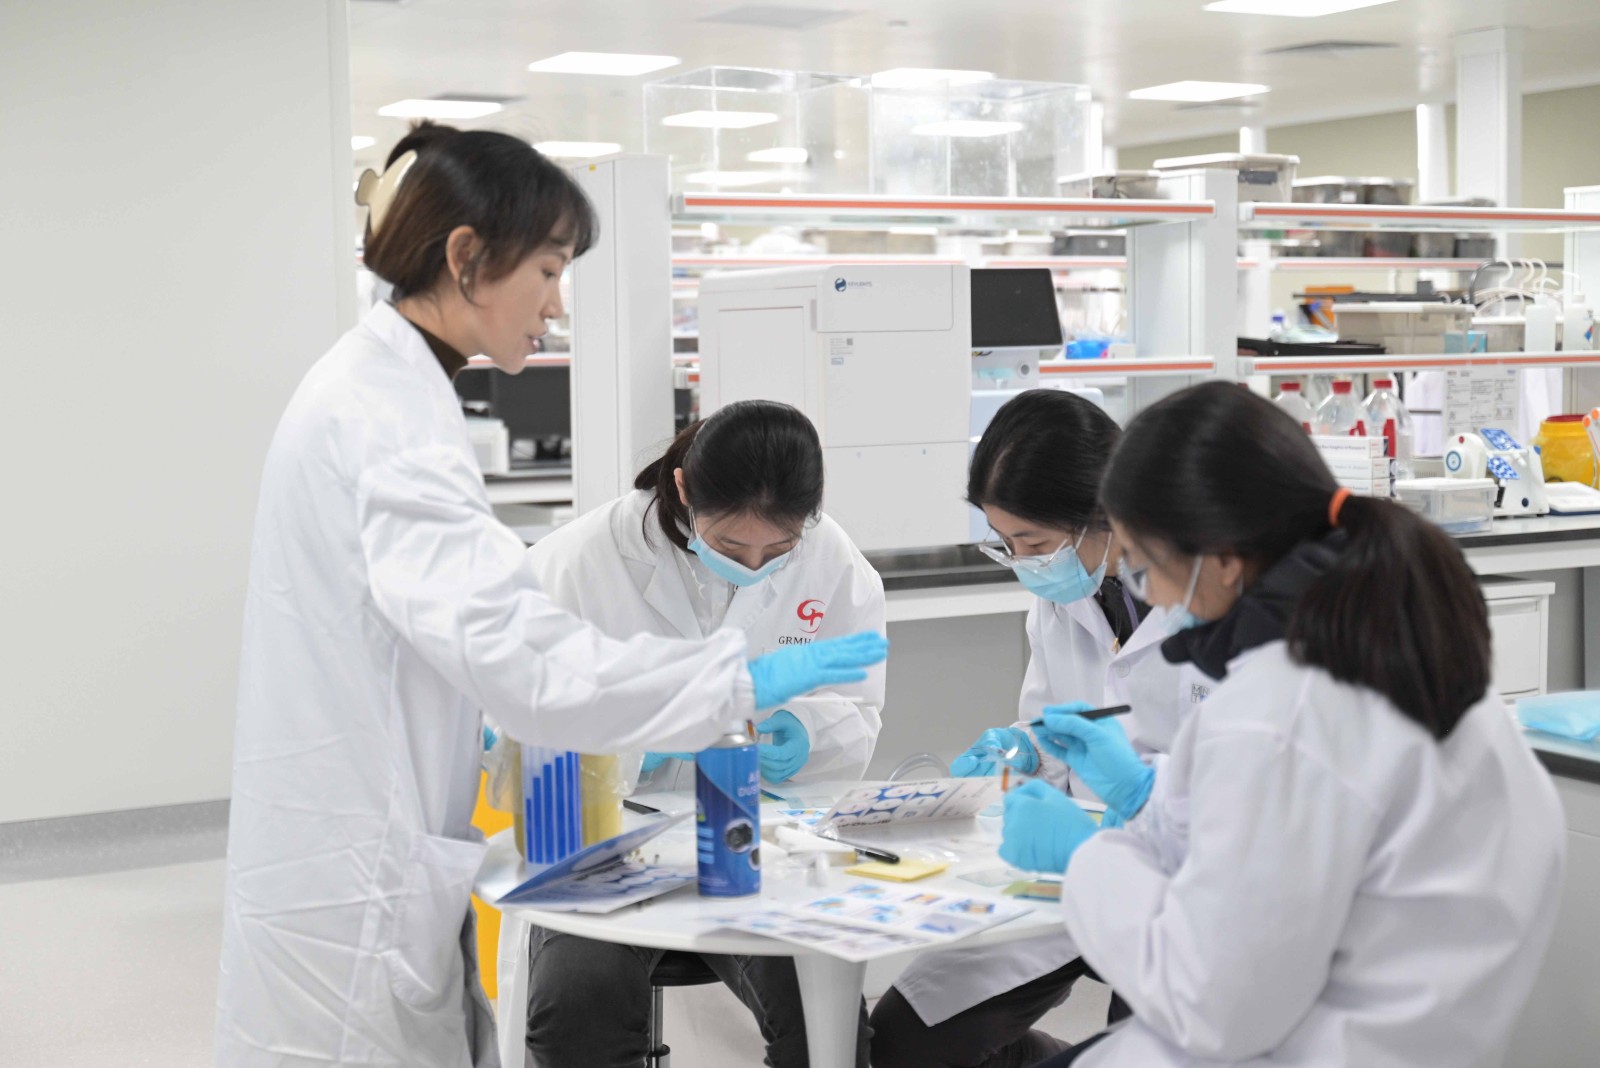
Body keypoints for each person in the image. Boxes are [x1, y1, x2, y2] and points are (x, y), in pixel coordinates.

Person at [214, 124, 887, 1068]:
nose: (557, 305)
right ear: (466, 258)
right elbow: (526, 661)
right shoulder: (389, 425)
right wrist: (732, 687)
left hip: (370, 841)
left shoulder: (384, 392)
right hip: (361, 868)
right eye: (548, 270)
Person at [1001, 381, 1565, 1067]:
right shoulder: (1393, 640)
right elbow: (1283, 840)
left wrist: (1087, 860)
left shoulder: (1281, 708)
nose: (1148, 594)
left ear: (1223, 559)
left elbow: (1210, 1004)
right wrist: (1152, 799)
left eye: (1145, 568)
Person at [517, 398, 884, 1067]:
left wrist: (807, 730)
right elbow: (521, 735)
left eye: (779, 549)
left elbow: (858, 707)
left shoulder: (831, 558)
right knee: (577, 1006)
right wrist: (638, 741)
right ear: (684, 489)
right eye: (731, 546)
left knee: (824, 1021)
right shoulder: (575, 564)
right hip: (607, 840)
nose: (755, 564)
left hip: (759, 837)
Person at [871, 389, 1211, 1068]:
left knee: (1147, 1047)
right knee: (901, 1044)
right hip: (1065, 869)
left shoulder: (1212, 597)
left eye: (1034, 543)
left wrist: (1139, 790)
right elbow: (1054, 720)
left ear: (1104, 512)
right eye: (1007, 543)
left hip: (1183, 885)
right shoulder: (1066, 598)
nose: (1025, 561)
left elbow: (1245, 783)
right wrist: (1024, 749)